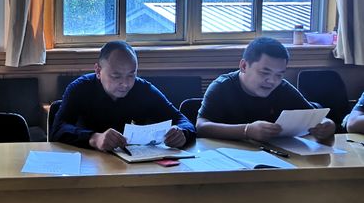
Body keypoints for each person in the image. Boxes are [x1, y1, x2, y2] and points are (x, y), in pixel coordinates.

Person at [50, 41, 195, 152]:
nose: (125, 84)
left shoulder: (143, 89)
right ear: (98, 71)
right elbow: (57, 129)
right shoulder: (80, 88)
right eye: (116, 76)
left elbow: (183, 120)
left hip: (133, 166)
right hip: (87, 162)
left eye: (131, 75)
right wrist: (94, 138)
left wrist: (182, 133)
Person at [197, 37, 336, 141]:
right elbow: (201, 126)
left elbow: (314, 116)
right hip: (227, 159)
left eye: (279, 74)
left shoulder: (282, 88)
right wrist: (247, 130)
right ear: (244, 66)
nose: (272, 81)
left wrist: (327, 125)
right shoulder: (222, 86)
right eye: (264, 73)